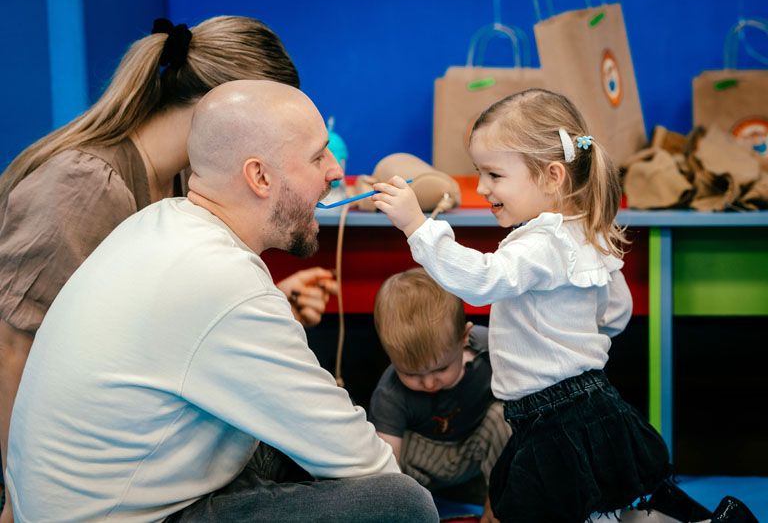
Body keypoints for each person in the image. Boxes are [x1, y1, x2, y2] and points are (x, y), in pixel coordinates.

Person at [5, 79, 438, 522]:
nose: (334, 171)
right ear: (259, 176)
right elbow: (363, 461)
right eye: (317, 157)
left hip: (81, 502)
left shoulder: (159, 223)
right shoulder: (224, 281)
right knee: (401, 504)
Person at [0, 16, 338, 521]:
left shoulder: (182, 182)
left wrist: (266, 306)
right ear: (223, 108)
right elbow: (14, 350)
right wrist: (16, 499)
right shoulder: (83, 186)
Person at [372, 88, 674, 522]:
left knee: (549, 508)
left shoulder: (541, 242)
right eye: (479, 173)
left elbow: (482, 281)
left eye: (494, 175)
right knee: (598, 503)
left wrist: (416, 226)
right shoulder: (585, 233)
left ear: (553, 176)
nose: (481, 188)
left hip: (552, 411)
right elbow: (616, 313)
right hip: (579, 400)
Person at [369, 267, 511, 522]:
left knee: (504, 416)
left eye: (441, 369)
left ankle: (498, 508)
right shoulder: (390, 393)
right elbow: (386, 468)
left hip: (472, 454)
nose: (428, 382)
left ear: (464, 337)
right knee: (382, 458)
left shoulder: (490, 349)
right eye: (410, 373)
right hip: (419, 467)